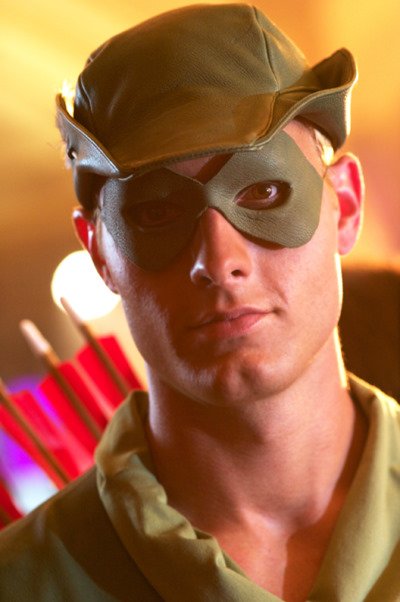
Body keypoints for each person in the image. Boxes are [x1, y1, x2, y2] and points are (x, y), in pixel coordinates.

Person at [0, 4, 399, 601]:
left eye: (263, 191)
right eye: (157, 212)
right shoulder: (26, 583)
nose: (217, 260)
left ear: (344, 203)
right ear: (100, 251)